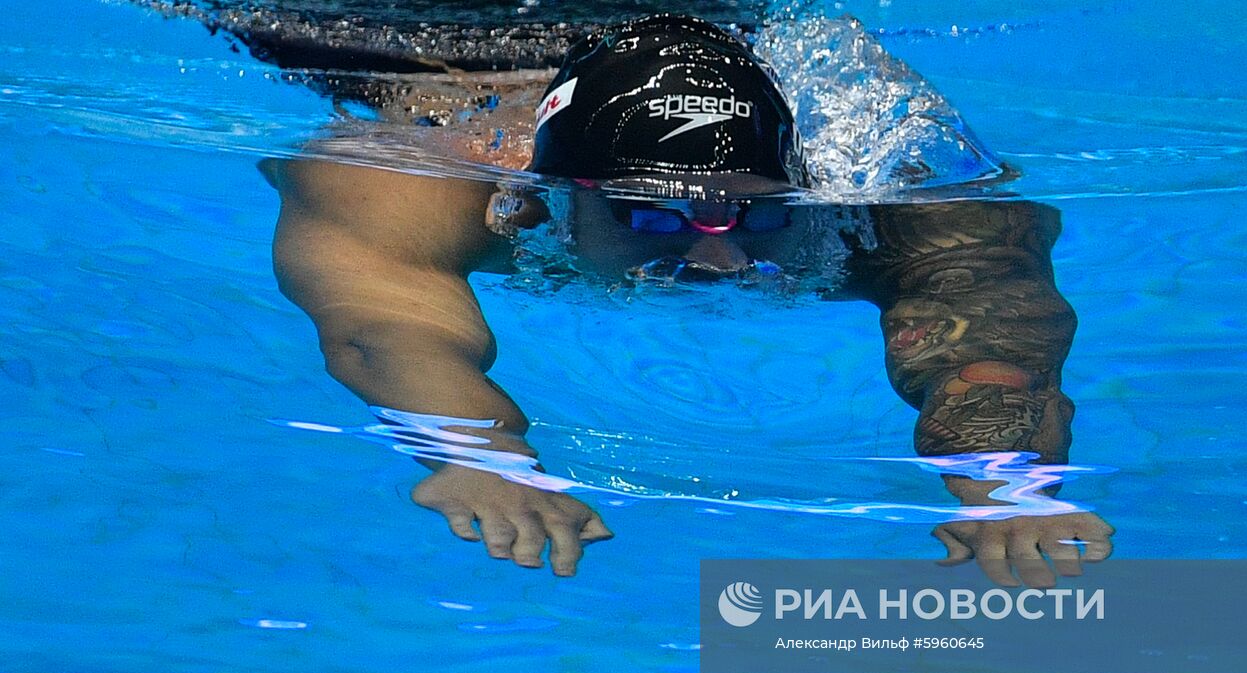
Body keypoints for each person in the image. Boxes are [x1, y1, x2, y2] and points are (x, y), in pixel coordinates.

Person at [261, 14, 1113, 580]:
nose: (723, 260)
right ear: (549, 197)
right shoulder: (409, 182)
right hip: (405, 30)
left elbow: (990, 332)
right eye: (654, 217)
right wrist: (477, 452)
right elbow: (387, 325)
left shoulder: (903, 206)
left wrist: (1004, 483)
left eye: (757, 213)